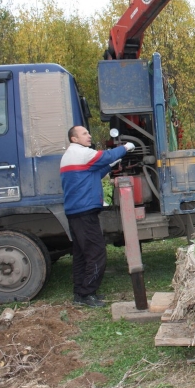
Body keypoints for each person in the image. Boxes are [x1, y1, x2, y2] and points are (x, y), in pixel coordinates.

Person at [60, 126, 134, 307]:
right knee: (96, 253)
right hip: (84, 212)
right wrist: (125, 148)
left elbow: (93, 173)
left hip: (76, 212)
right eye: (84, 133)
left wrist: (110, 165)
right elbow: (105, 156)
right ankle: (88, 293)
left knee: (81, 255)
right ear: (74, 139)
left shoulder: (71, 156)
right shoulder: (81, 152)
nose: (89, 135)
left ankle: (80, 294)